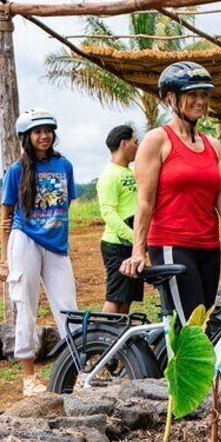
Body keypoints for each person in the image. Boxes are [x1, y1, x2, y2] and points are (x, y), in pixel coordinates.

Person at [120, 62, 221, 321]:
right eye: (192, 94)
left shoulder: (213, 145)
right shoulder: (157, 140)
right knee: (193, 327)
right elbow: (145, 202)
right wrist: (138, 250)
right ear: (171, 98)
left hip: (210, 247)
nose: (200, 101)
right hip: (171, 245)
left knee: (202, 322)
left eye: (204, 94)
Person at [0, 108, 78, 396]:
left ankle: (79, 370)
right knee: (26, 306)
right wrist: (4, 260)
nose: (44, 136)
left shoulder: (64, 165)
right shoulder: (17, 170)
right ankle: (29, 377)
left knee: (67, 306)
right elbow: (6, 216)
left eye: (48, 131)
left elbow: (64, 206)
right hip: (24, 241)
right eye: (37, 132)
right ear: (27, 137)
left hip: (56, 245)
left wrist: (52, 230)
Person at [97, 124, 142, 314]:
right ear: (124, 144)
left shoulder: (130, 172)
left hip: (131, 245)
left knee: (127, 297)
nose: (137, 146)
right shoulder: (109, 175)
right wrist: (134, 237)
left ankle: (118, 339)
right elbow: (108, 213)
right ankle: (100, 340)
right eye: (135, 142)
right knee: (115, 297)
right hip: (116, 245)